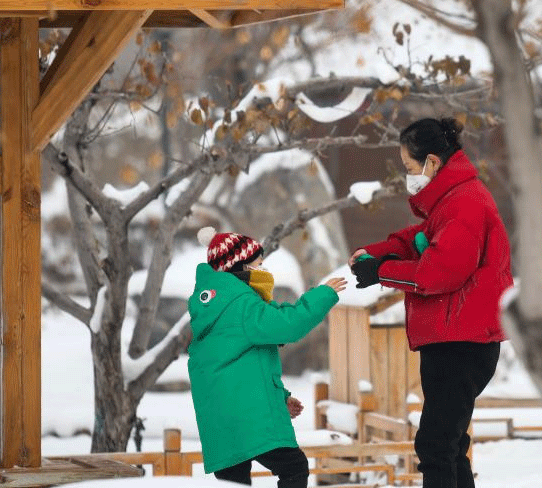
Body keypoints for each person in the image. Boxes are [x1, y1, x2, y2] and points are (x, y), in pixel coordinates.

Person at [349, 117, 512, 488]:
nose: (409, 175)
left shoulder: (465, 203)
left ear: (433, 162)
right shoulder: (451, 202)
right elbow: (421, 238)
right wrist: (377, 254)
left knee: (436, 445)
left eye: (410, 167)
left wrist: (382, 272)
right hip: (456, 338)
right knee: (449, 444)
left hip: (462, 343)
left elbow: (439, 272)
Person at [189, 227, 346, 488]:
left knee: (235, 483)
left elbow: (242, 364)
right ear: (240, 266)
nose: (264, 270)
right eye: (259, 264)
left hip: (222, 422)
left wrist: (280, 397)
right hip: (248, 418)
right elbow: (287, 324)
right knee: (294, 468)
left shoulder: (215, 307)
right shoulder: (241, 304)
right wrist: (323, 295)